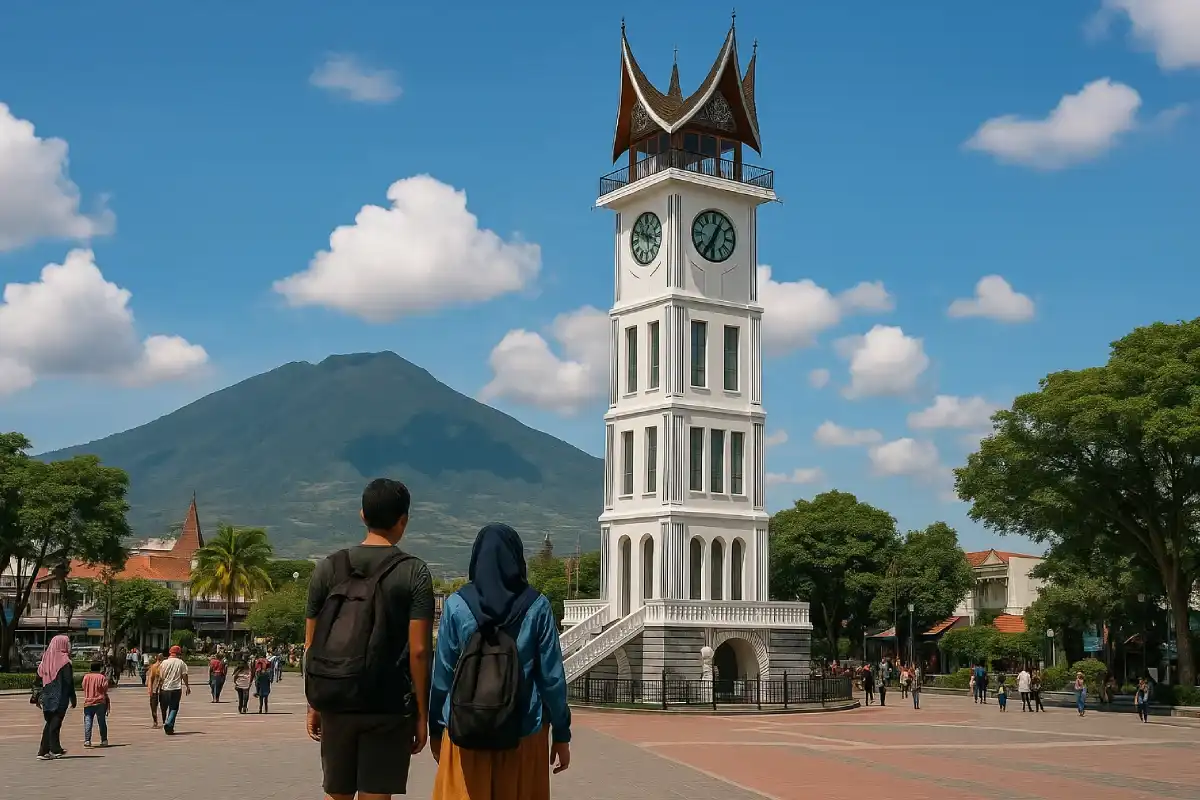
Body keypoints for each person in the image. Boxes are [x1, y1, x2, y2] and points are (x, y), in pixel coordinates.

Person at [305, 478, 434, 800]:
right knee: (376, 795)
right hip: (388, 704)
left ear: (362, 515)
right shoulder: (414, 572)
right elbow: (419, 651)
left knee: (337, 794)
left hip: (336, 696)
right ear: (403, 520)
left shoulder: (327, 568)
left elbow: (311, 645)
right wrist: (422, 713)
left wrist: (314, 703)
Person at [430, 523, 572, 800]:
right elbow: (552, 679)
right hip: (523, 732)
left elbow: (442, 675)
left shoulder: (457, 605)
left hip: (465, 731)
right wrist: (562, 734)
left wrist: (436, 728)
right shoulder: (537, 606)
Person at [35, 635, 76, 760]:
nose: (70, 646)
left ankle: (48, 750)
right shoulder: (65, 661)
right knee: (55, 723)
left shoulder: (45, 660)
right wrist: (72, 697)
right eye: (68, 643)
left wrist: (36, 696)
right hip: (60, 697)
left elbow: (37, 679)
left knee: (50, 722)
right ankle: (51, 750)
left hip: (47, 697)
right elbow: (68, 681)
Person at [159, 645, 191, 734]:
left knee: (166, 707)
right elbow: (184, 675)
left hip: (165, 688)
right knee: (174, 707)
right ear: (179, 653)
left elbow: (161, 676)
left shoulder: (164, 663)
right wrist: (187, 686)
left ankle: (170, 727)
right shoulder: (181, 663)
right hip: (176, 688)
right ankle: (169, 723)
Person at [82, 661, 111, 748]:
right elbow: (105, 688)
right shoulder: (101, 677)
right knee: (101, 721)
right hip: (100, 702)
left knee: (88, 721)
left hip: (88, 702)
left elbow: (83, 686)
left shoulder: (86, 677)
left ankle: (87, 740)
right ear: (99, 668)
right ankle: (104, 740)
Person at [147, 652, 165, 728]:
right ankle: (164, 721)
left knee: (154, 706)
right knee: (164, 706)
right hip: (163, 689)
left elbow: (150, 679)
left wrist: (149, 688)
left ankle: (155, 722)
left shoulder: (154, 666)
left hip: (155, 689)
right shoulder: (163, 666)